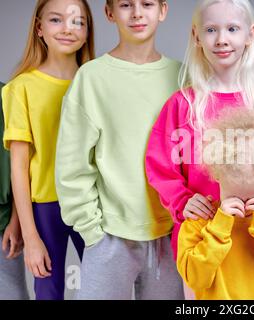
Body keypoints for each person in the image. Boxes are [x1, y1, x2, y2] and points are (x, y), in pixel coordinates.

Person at [145, 0, 254, 298]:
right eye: (211, 30)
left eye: (232, 28)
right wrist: (181, 201)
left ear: (250, 34)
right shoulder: (183, 105)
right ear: (196, 36)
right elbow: (160, 165)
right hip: (204, 238)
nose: (221, 39)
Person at [55, 0, 183, 299]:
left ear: (162, 10)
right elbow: (72, 163)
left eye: (147, 4)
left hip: (170, 233)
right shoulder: (92, 77)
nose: (137, 13)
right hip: (109, 233)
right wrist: (91, 230)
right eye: (126, 4)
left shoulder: (182, 76)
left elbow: (193, 156)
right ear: (109, 13)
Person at [2, 0, 94, 300]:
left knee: (98, 288)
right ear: (39, 28)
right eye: (57, 20)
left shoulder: (95, 81)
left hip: (93, 204)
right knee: (49, 289)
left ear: (87, 30)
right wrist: (28, 232)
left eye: (78, 21)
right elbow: (19, 165)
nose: (68, 28)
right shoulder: (21, 87)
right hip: (45, 207)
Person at [177, 108, 254, 300]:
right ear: (217, 175)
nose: (244, 206)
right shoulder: (199, 222)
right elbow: (195, 280)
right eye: (234, 196)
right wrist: (219, 229)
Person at [0, 81, 29, 300]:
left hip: (2, 223)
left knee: (13, 294)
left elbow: (21, 166)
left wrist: (16, 220)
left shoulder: (8, 94)